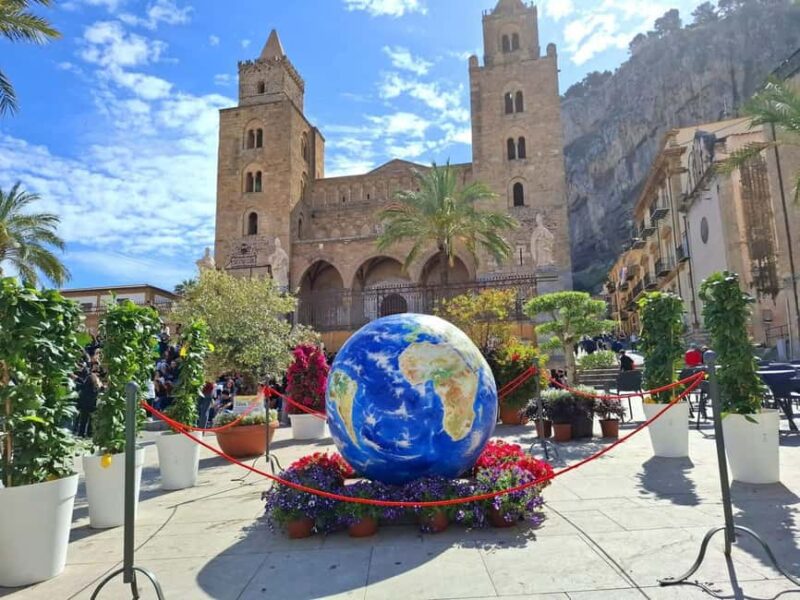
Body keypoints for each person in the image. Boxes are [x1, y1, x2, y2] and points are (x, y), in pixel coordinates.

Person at [76, 367, 101, 438]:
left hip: (86, 402)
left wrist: (77, 380)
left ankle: (81, 433)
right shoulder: (97, 382)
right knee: (90, 420)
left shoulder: (90, 378)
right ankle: (89, 434)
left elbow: (84, 387)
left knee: (83, 419)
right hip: (93, 403)